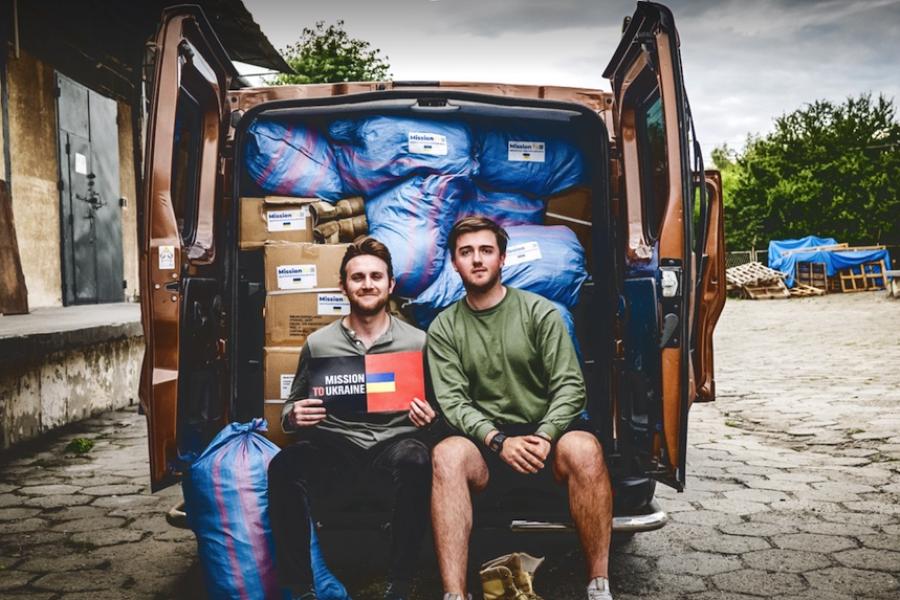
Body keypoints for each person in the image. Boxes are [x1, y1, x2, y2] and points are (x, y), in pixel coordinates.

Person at [427, 217, 614, 600]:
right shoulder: (444, 327)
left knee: (585, 448)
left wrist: (546, 435)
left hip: (543, 437)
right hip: (485, 443)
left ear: (502, 259)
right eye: (466, 252)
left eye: (485, 251)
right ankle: (454, 594)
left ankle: (599, 585)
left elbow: (570, 385)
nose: (476, 260)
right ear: (454, 263)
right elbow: (453, 402)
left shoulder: (540, 312)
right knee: (446, 455)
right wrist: (497, 441)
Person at [268, 236, 437, 600]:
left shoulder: (418, 342)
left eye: (376, 276)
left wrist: (430, 418)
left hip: (395, 445)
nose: (367, 284)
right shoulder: (319, 343)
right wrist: (294, 415)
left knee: (416, 457)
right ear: (343, 286)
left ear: (390, 285)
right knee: (284, 465)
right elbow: (289, 407)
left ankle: (401, 583)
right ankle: (300, 589)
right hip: (335, 448)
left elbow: (439, 409)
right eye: (357, 277)